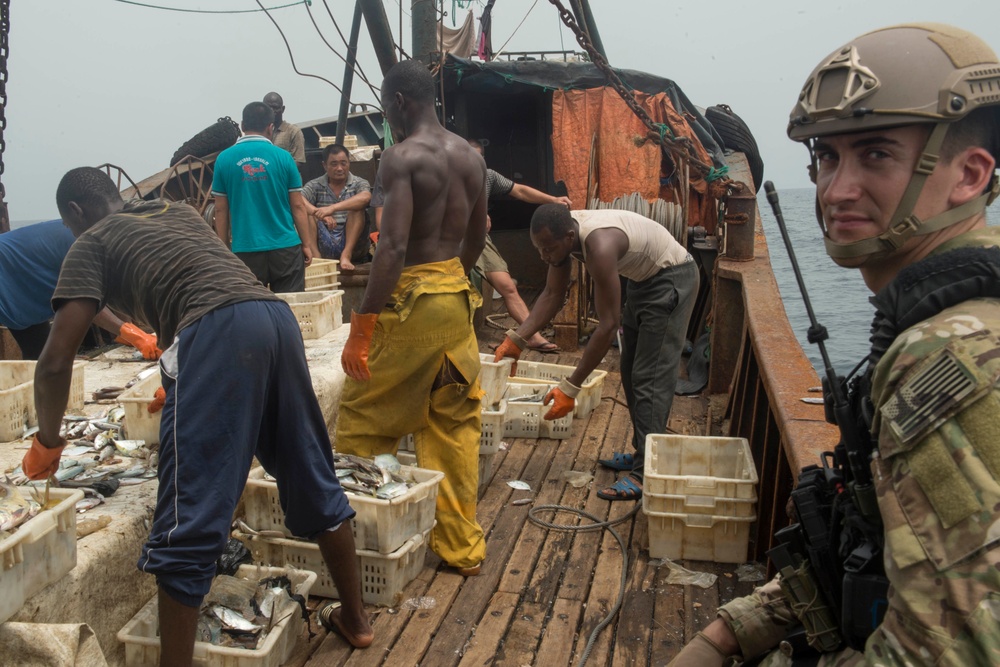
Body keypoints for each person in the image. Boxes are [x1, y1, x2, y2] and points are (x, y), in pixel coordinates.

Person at [669, 23, 1000, 666]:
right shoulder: (926, 323)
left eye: (875, 155)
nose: (836, 190)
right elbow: (873, 544)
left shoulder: (949, 358)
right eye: (827, 157)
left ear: (968, 174)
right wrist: (725, 633)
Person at [22, 167, 373, 666]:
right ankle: (357, 622)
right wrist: (181, 377)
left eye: (69, 224)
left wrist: (49, 442)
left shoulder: (90, 241)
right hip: (272, 318)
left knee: (188, 518)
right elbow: (198, 283)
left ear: (75, 213)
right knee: (310, 471)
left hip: (219, 332)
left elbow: (56, 359)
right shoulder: (175, 213)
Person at [336, 59, 489, 576]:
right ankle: (462, 548)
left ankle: (362, 541)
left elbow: (393, 246)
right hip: (457, 303)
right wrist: (454, 279)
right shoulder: (472, 158)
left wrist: (362, 327)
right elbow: (478, 232)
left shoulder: (400, 158)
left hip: (412, 305)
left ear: (399, 102)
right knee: (454, 427)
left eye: (386, 108)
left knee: (362, 418)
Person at [494, 205, 699, 501]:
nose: (544, 256)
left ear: (569, 236)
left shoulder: (599, 246)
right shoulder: (562, 238)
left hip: (673, 279)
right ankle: (645, 451)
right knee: (630, 372)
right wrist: (516, 339)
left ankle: (646, 473)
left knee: (649, 378)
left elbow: (607, 326)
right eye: (539, 249)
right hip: (643, 282)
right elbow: (552, 295)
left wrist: (570, 388)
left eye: (548, 249)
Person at [466, 138, 571, 353]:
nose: (474, 164)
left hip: (479, 240)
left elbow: (520, 191)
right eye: (469, 158)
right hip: (448, 242)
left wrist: (553, 200)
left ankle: (531, 336)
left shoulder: (488, 177)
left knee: (507, 286)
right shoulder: (448, 177)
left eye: (479, 159)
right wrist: (475, 214)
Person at [0, 219, 159, 360]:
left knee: (40, 359)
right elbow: (81, 298)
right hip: (6, 272)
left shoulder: (107, 240)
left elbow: (116, 288)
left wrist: (127, 328)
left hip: (25, 290)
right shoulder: (84, 243)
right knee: (43, 363)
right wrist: (133, 334)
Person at [212, 101, 318, 293]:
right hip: (285, 248)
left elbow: (220, 209)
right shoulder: (284, 158)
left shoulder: (224, 159)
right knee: (290, 307)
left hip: (245, 249)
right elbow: (298, 206)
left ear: (243, 126)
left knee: (252, 310)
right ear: (270, 127)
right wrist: (307, 245)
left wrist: (224, 248)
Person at [302, 143, 372, 270]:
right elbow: (298, 199)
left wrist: (332, 208)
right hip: (323, 242)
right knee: (306, 213)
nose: (339, 168)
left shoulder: (359, 183)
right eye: (334, 164)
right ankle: (317, 259)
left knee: (357, 209)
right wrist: (318, 213)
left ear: (349, 163)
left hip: (353, 244)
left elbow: (365, 197)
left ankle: (346, 255)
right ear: (325, 165)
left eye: (343, 163)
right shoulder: (315, 185)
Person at [263, 91, 306, 167]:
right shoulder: (259, 131)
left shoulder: (293, 131)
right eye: (268, 107)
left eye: (275, 107)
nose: (272, 111)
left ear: (282, 109)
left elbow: (299, 161)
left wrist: (276, 170)